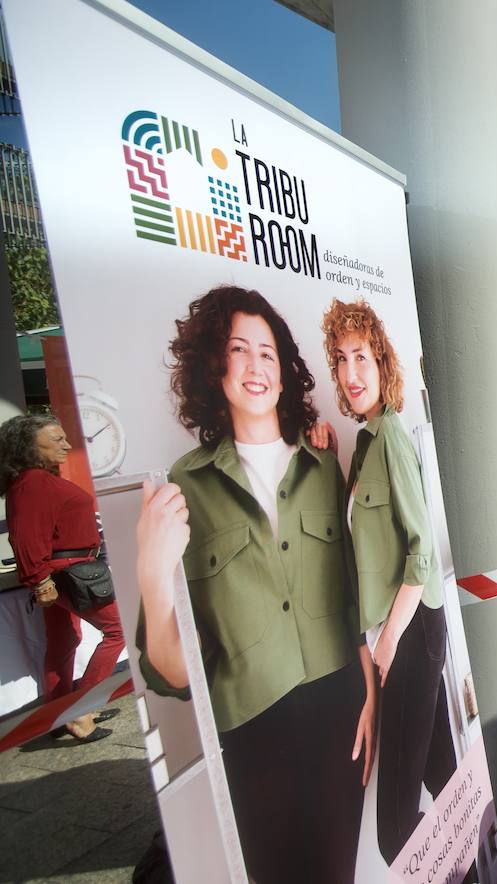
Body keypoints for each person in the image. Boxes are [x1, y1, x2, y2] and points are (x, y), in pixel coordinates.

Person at [136, 286, 369, 883]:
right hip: (250, 736)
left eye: (267, 353)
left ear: (285, 371)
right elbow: (172, 671)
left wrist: (374, 694)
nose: (255, 367)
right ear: (214, 366)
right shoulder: (182, 489)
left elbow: (356, 598)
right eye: (238, 350)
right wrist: (150, 566)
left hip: (339, 713)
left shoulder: (323, 467)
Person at [320, 299, 457, 864]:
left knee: (393, 829)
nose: (351, 374)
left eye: (361, 357)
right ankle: (476, 865)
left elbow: (421, 552)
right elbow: (358, 540)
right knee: (448, 779)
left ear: (382, 364)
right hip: (402, 632)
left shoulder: (392, 436)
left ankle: (460, 866)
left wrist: (388, 641)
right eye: (340, 360)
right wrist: (329, 463)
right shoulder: (365, 444)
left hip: (410, 632)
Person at [0, 414, 124, 744]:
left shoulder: (32, 481)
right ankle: (82, 711)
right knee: (118, 630)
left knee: (64, 641)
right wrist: (40, 580)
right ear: (29, 446)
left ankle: (57, 715)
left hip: (63, 574)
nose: (67, 445)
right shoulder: (33, 483)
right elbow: (25, 537)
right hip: (68, 574)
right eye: (57, 439)